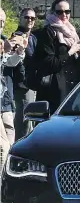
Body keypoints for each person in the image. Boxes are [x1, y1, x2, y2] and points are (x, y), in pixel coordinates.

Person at [32, 0, 80, 114]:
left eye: (67, 11)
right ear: (52, 13)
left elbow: (72, 59)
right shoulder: (49, 31)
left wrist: (79, 51)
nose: (64, 15)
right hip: (54, 89)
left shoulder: (71, 31)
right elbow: (49, 62)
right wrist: (71, 52)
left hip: (70, 86)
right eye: (59, 12)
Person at [0, 8, 26, 170]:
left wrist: (20, 51)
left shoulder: (3, 40)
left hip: (5, 101)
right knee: (3, 146)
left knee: (11, 143)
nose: (1, 25)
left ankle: (6, 178)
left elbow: (10, 63)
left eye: (3, 21)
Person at [13, 8, 38, 140]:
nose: (29, 20)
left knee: (30, 119)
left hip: (32, 83)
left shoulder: (33, 38)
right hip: (22, 84)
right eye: (27, 17)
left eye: (32, 18)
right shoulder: (16, 36)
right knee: (24, 119)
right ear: (20, 18)